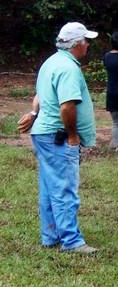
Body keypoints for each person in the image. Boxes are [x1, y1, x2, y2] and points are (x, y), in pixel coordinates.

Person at [18, 22, 99, 254]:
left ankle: (51, 235)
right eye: (86, 40)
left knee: (49, 186)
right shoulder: (69, 69)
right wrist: (73, 136)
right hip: (58, 136)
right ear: (77, 44)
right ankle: (71, 241)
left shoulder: (51, 62)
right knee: (64, 188)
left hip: (44, 134)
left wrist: (34, 113)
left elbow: (40, 94)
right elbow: (67, 106)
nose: (88, 44)